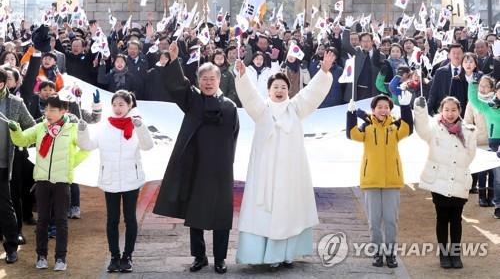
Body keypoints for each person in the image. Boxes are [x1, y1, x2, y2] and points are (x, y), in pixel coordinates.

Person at [233, 51, 334, 269]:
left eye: (283, 88)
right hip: (265, 175)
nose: (279, 91)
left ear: (289, 91)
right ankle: (258, 255)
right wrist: (242, 76)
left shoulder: (295, 108)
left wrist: (324, 72)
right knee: (263, 213)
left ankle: (288, 253)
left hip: (289, 174)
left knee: (288, 211)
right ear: (268, 90)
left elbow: (311, 94)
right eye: (275, 87)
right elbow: (249, 95)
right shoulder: (261, 109)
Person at [153, 42, 239, 274]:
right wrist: (174, 61)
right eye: (204, 79)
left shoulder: (230, 107)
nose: (209, 82)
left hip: (220, 169)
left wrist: (227, 163)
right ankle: (199, 257)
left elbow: (234, 136)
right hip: (196, 166)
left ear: (219, 80)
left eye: (212, 78)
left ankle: (220, 259)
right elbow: (178, 86)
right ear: (199, 81)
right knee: (196, 214)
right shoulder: (192, 100)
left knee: (221, 215)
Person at [8, 95, 90, 271]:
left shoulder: (73, 128)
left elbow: (86, 148)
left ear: (64, 111)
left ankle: (61, 258)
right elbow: (22, 140)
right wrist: (15, 130)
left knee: (61, 220)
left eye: (52, 110)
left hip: (62, 181)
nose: (48, 113)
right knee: (43, 220)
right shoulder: (40, 127)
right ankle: (41, 256)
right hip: (42, 180)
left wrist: (70, 163)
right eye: (46, 109)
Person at [77, 90, 154, 273]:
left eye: (122, 105)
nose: (118, 108)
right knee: (112, 219)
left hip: (131, 179)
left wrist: (140, 127)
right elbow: (87, 145)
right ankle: (114, 256)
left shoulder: (136, 124)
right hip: (110, 178)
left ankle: (127, 256)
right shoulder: (105, 126)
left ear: (129, 106)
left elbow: (148, 146)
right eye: (115, 105)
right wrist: (82, 131)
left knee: (130, 219)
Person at [346, 92, 413, 268]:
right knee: (374, 221)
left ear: (390, 110)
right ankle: (377, 253)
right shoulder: (366, 127)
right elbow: (352, 135)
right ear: (373, 110)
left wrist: (406, 108)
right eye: (379, 107)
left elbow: (407, 130)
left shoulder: (395, 127)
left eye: (386, 107)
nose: (383, 110)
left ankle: (390, 254)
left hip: (392, 180)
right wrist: (351, 115)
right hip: (372, 180)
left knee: (391, 219)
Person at [414, 96, 477, 269]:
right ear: (441, 110)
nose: (450, 114)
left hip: (459, 180)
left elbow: (470, 155)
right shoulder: (434, 128)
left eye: (453, 110)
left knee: (456, 219)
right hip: (438, 181)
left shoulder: (470, 130)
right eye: (446, 110)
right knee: (442, 218)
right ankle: (444, 255)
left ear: (460, 111)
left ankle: (455, 254)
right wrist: (420, 110)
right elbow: (421, 130)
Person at [0, 67, 35, 264]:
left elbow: (31, 126)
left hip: (5, 164)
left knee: (6, 207)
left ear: (4, 84)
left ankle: (11, 246)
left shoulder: (15, 103)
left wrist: (18, 132)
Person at [468, 78, 500, 218]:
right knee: (498, 177)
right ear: (496, 92)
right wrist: (472, 83)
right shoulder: (489, 105)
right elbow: (474, 101)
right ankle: (498, 205)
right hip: (495, 142)